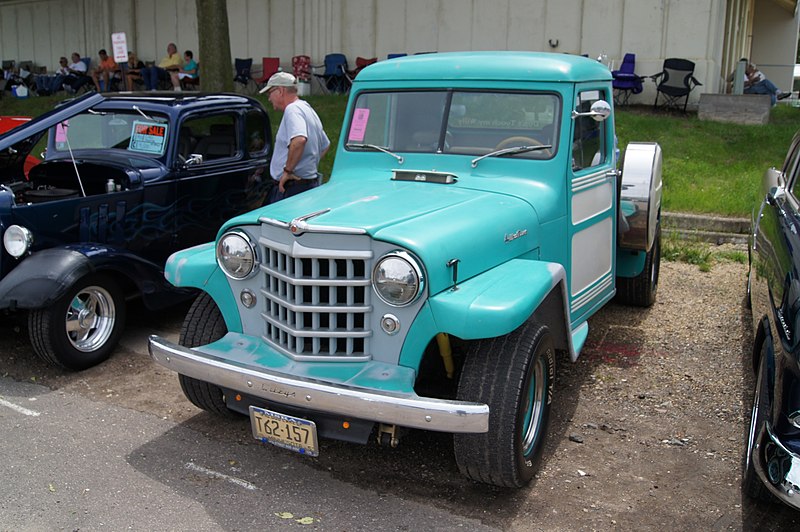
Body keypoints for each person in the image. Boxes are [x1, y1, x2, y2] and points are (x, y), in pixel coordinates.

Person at [260, 72, 330, 202]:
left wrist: (288, 171)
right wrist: (307, 165)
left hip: (291, 189)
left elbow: (299, 140)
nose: (269, 98)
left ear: (280, 90)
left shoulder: (292, 110)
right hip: (306, 185)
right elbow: (325, 145)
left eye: (269, 93)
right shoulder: (306, 108)